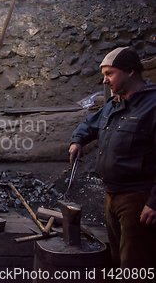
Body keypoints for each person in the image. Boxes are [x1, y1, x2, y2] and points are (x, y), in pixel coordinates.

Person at [69, 46, 156, 270]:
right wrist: (77, 140)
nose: (105, 81)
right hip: (111, 196)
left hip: (138, 199)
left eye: (109, 74)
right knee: (117, 259)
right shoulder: (113, 105)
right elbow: (89, 124)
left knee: (136, 264)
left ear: (130, 72)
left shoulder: (152, 106)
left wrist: (154, 202)